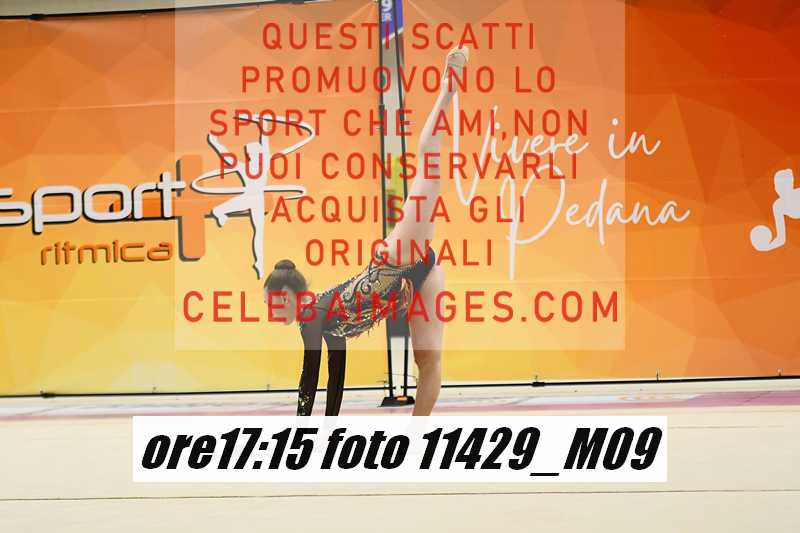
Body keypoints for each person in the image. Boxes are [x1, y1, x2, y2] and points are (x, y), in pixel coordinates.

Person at [264, 46, 470, 416]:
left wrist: (301, 428)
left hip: (397, 260)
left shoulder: (312, 315)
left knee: (429, 162)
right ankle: (416, 435)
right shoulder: (320, 321)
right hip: (418, 276)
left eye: (275, 302)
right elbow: (335, 375)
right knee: (428, 361)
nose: (272, 310)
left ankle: (448, 88)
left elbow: (310, 377)